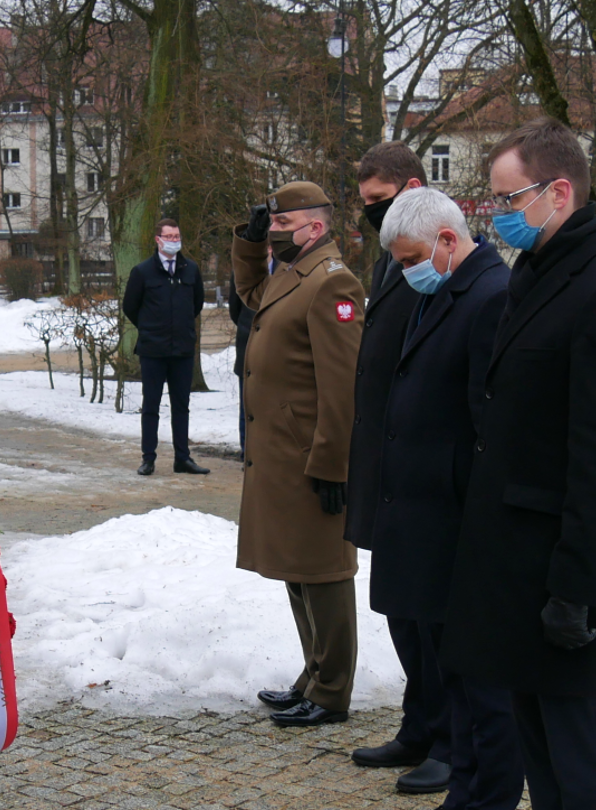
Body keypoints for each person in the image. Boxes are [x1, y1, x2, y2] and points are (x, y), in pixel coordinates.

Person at [439, 118, 596, 810]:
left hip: (560, 574)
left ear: (559, 192)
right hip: (514, 570)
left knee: (578, 757)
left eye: (509, 199)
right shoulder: (534, 277)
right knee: (540, 754)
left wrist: (576, 589)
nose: (497, 214)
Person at [354, 186, 523, 808]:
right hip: (420, 502)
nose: (405, 272)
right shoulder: (449, 287)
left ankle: (459, 758)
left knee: (460, 661)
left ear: (447, 241)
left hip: (451, 511)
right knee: (424, 640)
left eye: (409, 259)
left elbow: (487, 421)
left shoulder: (488, 295)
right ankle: (431, 736)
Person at [231, 181, 365, 728]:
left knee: (326, 572)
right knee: (297, 568)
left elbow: (343, 385)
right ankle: (313, 674)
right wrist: (251, 239)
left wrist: (334, 464)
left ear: (314, 227)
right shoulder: (292, 274)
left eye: (284, 226)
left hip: (313, 456)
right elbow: (249, 294)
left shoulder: (335, 282)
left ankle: (332, 690)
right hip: (284, 454)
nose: (276, 234)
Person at [339, 143, 442, 790]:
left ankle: (451, 739)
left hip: (424, 463)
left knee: (430, 615)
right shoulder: (389, 260)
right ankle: (419, 725)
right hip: (385, 458)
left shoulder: (435, 259)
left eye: (378, 203)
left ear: (408, 187)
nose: (370, 216)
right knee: (400, 607)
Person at [122, 218, 209, 476]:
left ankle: (183, 458)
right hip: (153, 351)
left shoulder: (190, 270)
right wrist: (150, 327)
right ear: (158, 240)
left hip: (182, 350)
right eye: (168, 236)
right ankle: (148, 458)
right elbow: (130, 307)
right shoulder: (142, 272)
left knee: (181, 406)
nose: (173, 241)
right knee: (151, 405)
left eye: (176, 236)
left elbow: (197, 303)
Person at [227, 275, 254, 453]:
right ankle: (248, 452)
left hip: (276, 349)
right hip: (247, 346)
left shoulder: (285, 268)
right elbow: (235, 310)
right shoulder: (241, 272)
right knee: (247, 405)